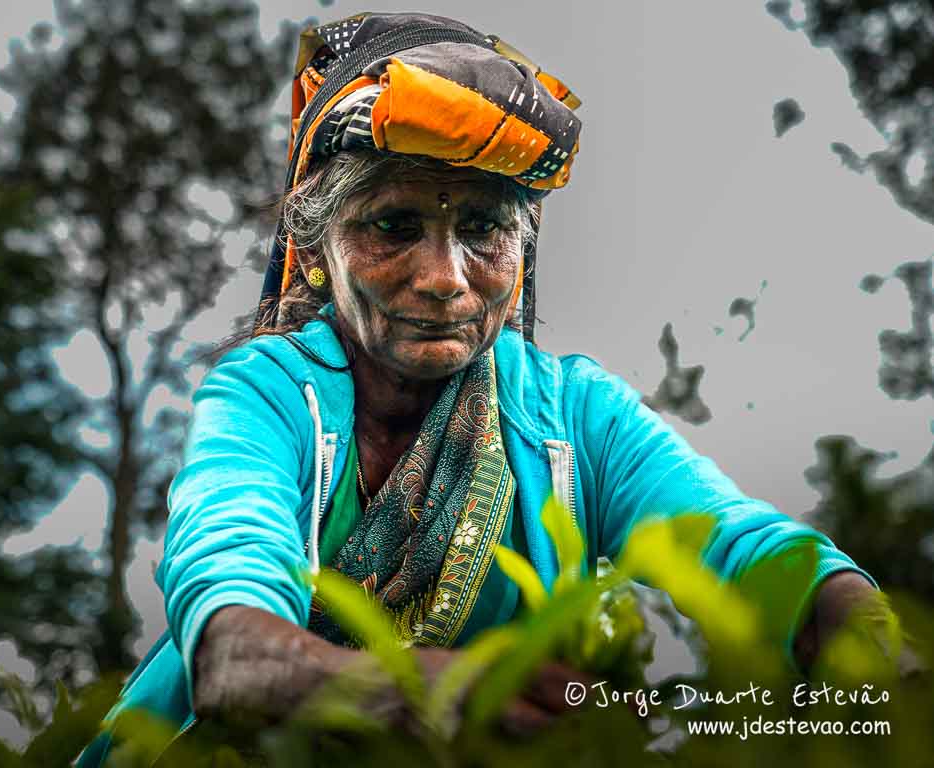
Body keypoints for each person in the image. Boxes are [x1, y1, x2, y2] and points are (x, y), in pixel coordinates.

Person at [78, 11, 877, 765]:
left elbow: (745, 548)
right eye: (393, 226)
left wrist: (878, 650)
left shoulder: (573, 416)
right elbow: (230, 645)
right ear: (315, 247)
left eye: (485, 230)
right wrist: (421, 691)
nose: (445, 280)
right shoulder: (269, 392)